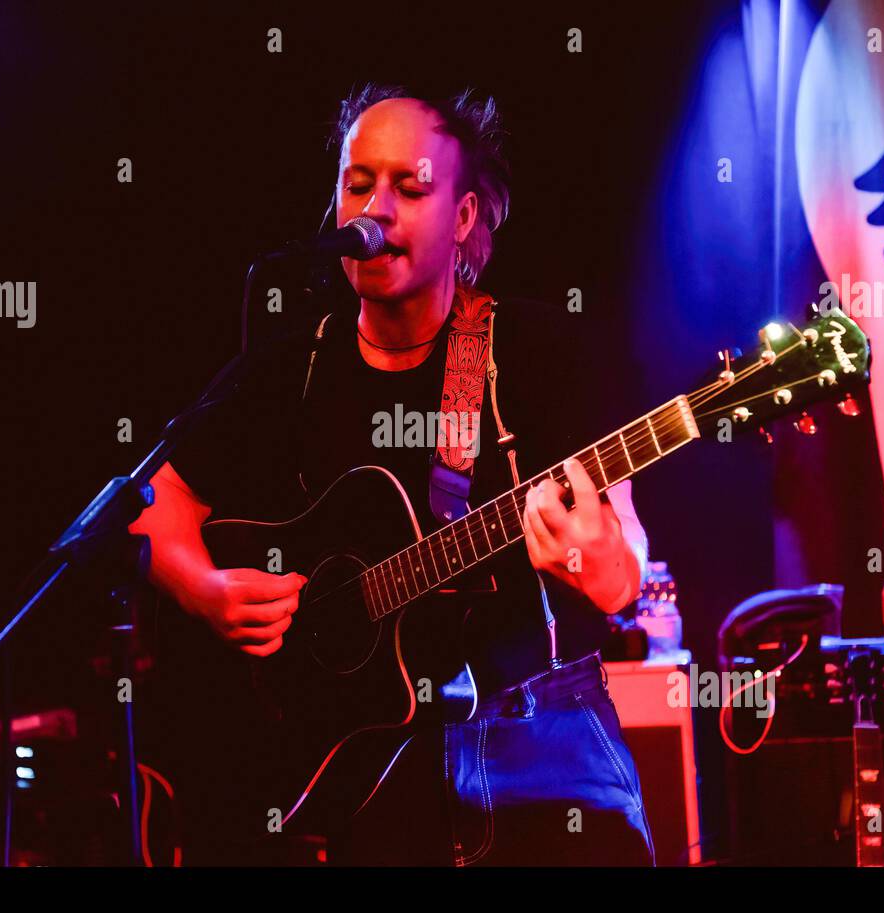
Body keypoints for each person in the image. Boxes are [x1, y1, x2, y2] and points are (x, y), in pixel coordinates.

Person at [130, 83, 654, 865]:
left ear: (465, 218)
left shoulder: (538, 352)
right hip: (366, 776)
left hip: (539, 756)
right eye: (358, 184)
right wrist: (206, 593)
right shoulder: (294, 364)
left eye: (410, 188)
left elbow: (625, 570)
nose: (377, 210)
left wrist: (601, 565)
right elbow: (153, 499)